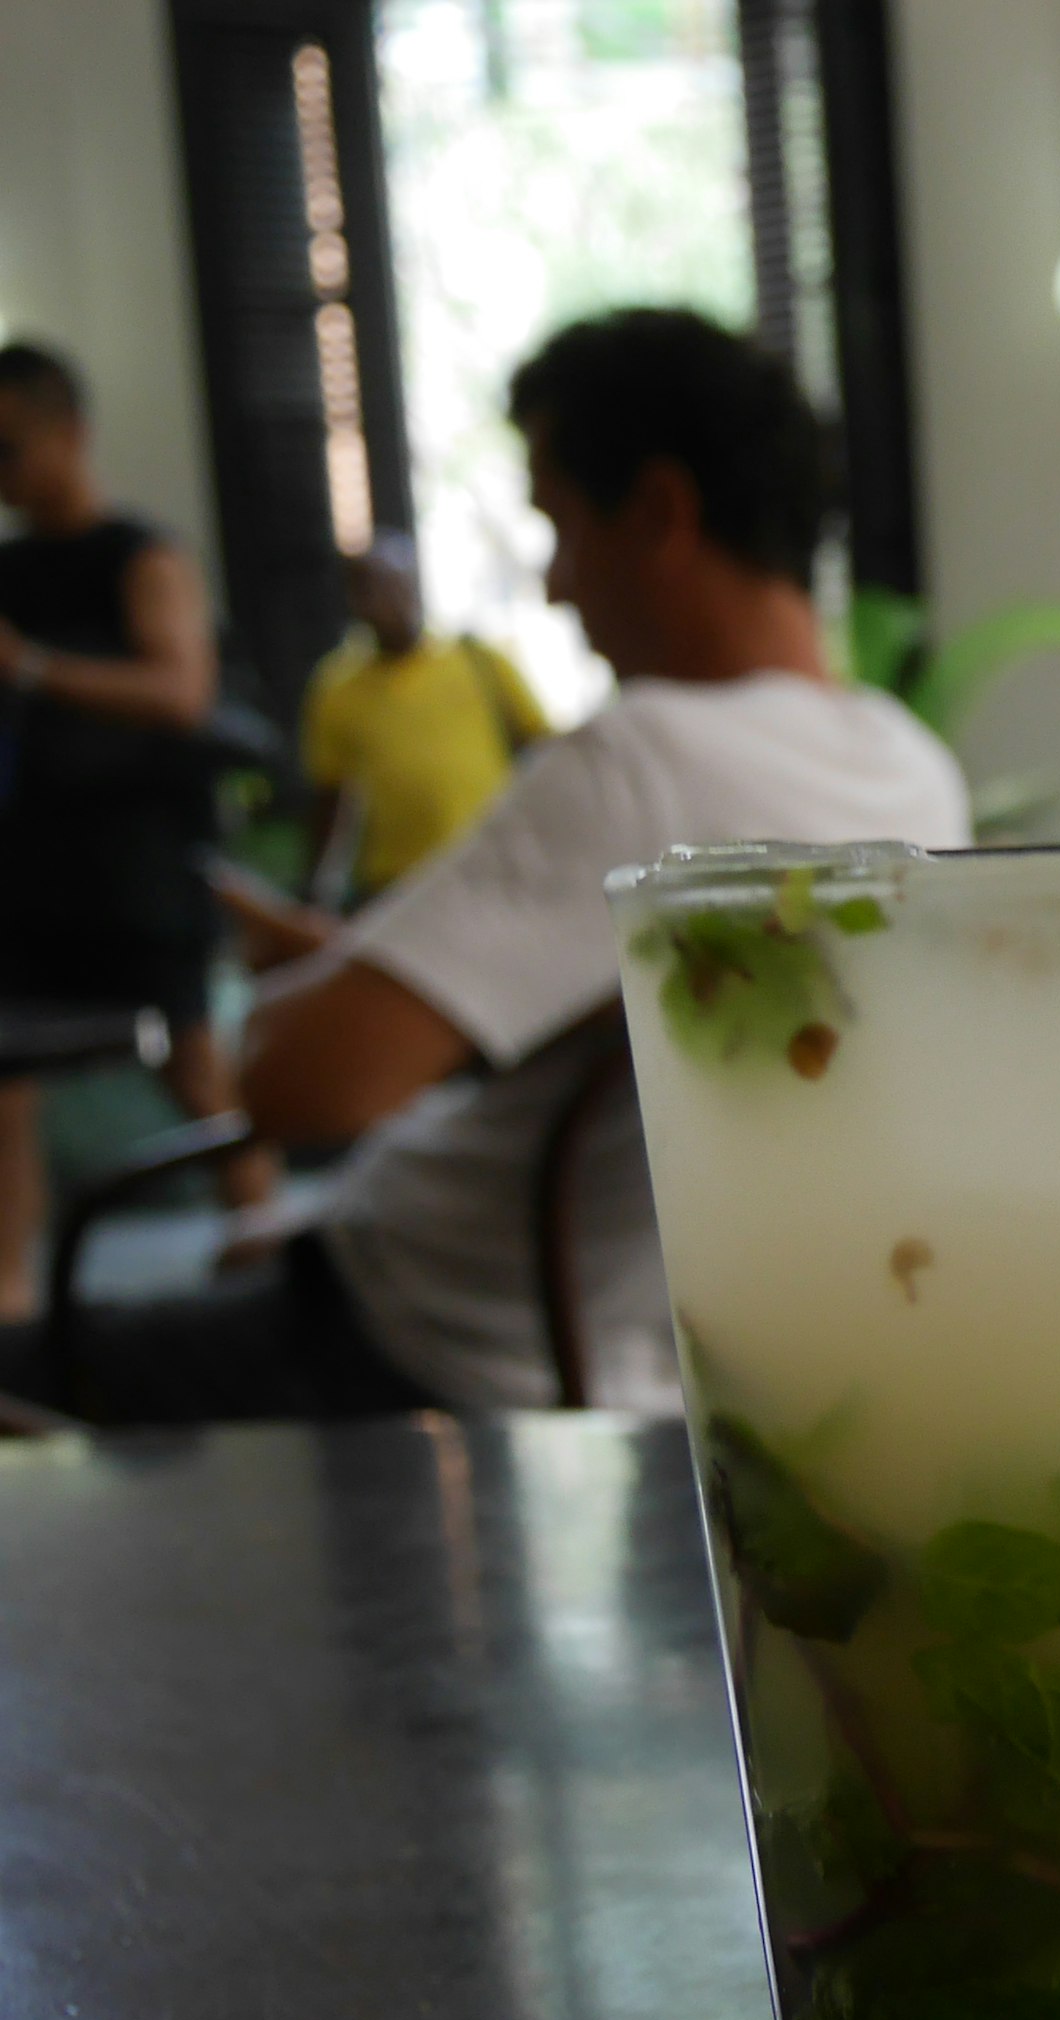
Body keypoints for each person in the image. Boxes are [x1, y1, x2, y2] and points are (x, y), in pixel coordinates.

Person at [0, 308, 966, 1423]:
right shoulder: (912, 769)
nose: (555, 586)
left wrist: (312, 983)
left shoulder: (646, 757)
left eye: (557, 526)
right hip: (670, 1354)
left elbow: (294, 1087)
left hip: (421, 1338)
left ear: (660, 512)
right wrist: (386, 970)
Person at [0, 339, 274, 1323]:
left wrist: (31, 667)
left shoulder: (142, 556)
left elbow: (180, 690)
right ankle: (13, 1303)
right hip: (31, 873)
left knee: (196, 1069)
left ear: (69, 432)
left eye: (12, 447)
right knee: (10, 1093)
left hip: (139, 871)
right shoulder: (12, 566)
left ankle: (263, 1243)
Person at [298, 529, 551, 904]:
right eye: (374, 589)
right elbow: (330, 796)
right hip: (396, 886)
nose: (391, 601)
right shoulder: (337, 688)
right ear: (355, 600)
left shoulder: (478, 661)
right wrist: (315, 888)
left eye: (399, 585)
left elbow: (543, 749)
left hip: (491, 871)